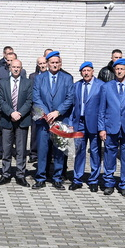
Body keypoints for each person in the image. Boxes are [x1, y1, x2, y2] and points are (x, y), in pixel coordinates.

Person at [98, 58, 125, 197]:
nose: (119, 71)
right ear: (114, 71)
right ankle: (109, 183)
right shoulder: (106, 87)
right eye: (117, 69)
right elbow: (102, 109)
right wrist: (102, 128)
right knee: (109, 156)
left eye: (122, 69)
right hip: (111, 127)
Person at [31, 51, 74, 189]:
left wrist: (57, 112)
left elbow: (70, 98)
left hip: (60, 120)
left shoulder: (67, 78)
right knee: (42, 150)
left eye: (57, 62)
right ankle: (40, 177)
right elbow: (36, 97)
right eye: (52, 62)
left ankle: (57, 178)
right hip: (44, 121)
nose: (55, 65)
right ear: (47, 64)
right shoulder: (39, 78)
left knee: (59, 150)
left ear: (60, 64)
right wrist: (47, 114)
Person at [0, 58, 32, 186]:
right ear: (10, 68)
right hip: (7, 119)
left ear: (21, 69)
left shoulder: (28, 83)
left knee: (21, 150)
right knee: (6, 149)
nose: (16, 69)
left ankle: (20, 175)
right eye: (14, 67)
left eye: (18, 67)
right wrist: (11, 113)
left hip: (22, 120)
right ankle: (5, 174)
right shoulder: (2, 83)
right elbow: (0, 100)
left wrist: (19, 113)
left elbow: (29, 101)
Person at [70, 62, 104, 191]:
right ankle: (77, 178)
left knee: (95, 152)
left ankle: (94, 180)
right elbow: (73, 105)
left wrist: (102, 126)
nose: (86, 73)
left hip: (94, 123)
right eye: (83, 71)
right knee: (79, 151)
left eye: (88, 70)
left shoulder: (101, 85)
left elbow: (103, 107)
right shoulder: (76, 85)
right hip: (79, 123)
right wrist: (71, 123)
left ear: (93, 71)